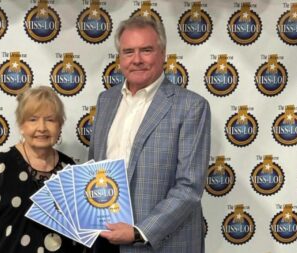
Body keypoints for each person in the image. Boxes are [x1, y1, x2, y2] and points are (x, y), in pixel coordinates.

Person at [88, 16, 211, 253]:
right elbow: (95, 168)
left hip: (162, 244)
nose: (136, 60)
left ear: (163, 53)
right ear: (120, 58)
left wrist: (138, 232)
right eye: (128, 52)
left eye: (146, 50)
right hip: (106, 240)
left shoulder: (191, 106)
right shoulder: (106, 101)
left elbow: (189, 187)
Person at [0, 86, 84, 253]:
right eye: (33, 119)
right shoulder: (2, 166)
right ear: (21, 125)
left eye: (50, 119)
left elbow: (82, 229)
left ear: (60, 125)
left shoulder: (69, 168)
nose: (41, 127)